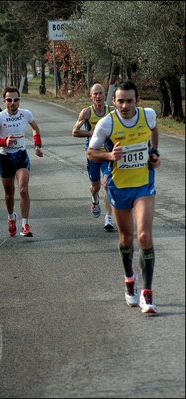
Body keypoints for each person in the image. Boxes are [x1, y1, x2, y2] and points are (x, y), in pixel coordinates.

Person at [87, 79, 161, 315]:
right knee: (126, 237)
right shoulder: (106, 124)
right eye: (120, 101)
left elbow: (154, 129)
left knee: (144, 236)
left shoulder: (147, 115)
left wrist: (154, 152)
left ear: (137, 101)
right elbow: (91, 152)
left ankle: (147, 293)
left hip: (144, 186)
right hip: (119, 188)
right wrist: (110, 156)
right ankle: (129, 278)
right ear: (114, 101)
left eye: (130, 101)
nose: (125, 105)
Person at [0, 86, 43, 237]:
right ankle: (11, 217)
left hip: (22, 156)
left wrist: (37, 146)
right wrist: (3, 142)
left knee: (23, 190)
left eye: (16, 99)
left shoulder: (26, 114)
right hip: (6, 159)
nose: (13, 102)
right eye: (9, 100)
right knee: (9, 194)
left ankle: (25, 225)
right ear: (4, 101)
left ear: (19, 100)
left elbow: (35, 128)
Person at [72, 83, 115, 231]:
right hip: (93, 154)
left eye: (100, 93)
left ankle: (108, 218)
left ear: (105, 95)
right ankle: (95, 199)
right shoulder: (86, 113)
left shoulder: (112, 111)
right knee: (96, 186)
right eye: (95, 94)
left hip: (107, 154)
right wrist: (92, 133)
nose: (98, 96)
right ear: (91, 96)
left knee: (107, 184)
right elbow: (75, 132)